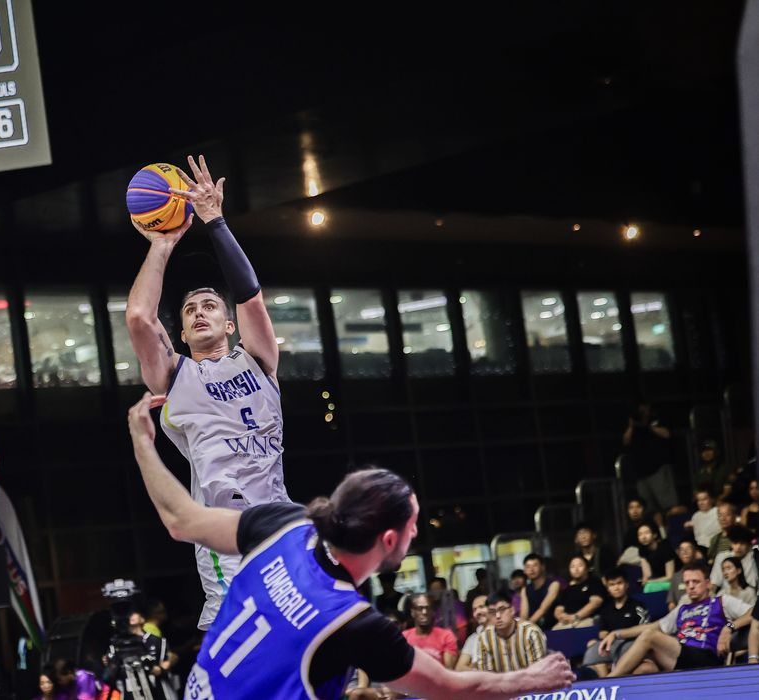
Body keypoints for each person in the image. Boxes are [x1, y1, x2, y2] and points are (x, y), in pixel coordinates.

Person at [126, 393, 575, 700]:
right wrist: (530, 678)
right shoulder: (354, 622)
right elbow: (448, 687)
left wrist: (143, 442)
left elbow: (181, 520)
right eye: (413, 525)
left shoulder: (284, 524)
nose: (416, 534)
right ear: (389, 540)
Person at [125, 155, 290, 629]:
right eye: (190, 309)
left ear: (230, 324)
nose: (199, 311)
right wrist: (162, 244)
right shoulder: (175, 376)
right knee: (241, 650)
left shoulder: (258, 361)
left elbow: (251, 295)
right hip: (226, 535)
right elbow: (139, 317)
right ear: (179, 333)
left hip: (280, 523)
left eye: (210, 305)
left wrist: (215, 221)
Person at [599, 561, 754, 676]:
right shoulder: (682, 609)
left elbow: (754, 611)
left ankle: (607, 682)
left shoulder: (721, 601)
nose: (691, 586)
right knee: (645, 669)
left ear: (707, 583)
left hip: (706, 658)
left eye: (696, 582)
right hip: (682, 657)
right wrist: (616, 633)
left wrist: (729, 627)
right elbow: (652, 626)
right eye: (687, 583)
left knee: (649, 637)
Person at [579, 567, 650, 678]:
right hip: (611, 646)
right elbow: (602, 633)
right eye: (612, 585)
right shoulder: (605, 608)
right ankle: (606, 680)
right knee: (592, 644)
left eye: (619, 583)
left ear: (626, 584)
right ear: (608, 588)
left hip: (632, 646)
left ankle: (611, 676)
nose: (616, 588)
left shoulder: (638, 606)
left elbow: (645, 631)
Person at [621, 402, 677, 519]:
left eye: (644, 409)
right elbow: (626, 441)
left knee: (668, 504)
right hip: (640, 472)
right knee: (648, 509)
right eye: (640, 410)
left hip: (658, 468)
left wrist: (648, 426)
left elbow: (667, 434)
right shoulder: (633, 424)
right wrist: (632, 426)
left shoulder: (656, 419)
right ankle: (657, 528)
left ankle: (674, 526)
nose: (642, 411)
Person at [475, 591, 549, 672]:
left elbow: (538, 673)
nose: (498, 616)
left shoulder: (530, 632)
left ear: (512, 610)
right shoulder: (485, 637)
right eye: (492, 612)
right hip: (499, 680)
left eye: (502, 609)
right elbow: (485, 675)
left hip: (529, 679)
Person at [402, 593, 459, 669]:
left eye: (428, 608)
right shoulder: (404, 637)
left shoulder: (446, 636)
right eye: (420, 608)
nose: (424, 612)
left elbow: (448, 668)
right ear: (413, 612)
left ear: (433, 611)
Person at [552, 555, 605, 629]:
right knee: (554, 631)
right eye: (572, 567)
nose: (576, 569)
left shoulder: (594, 583)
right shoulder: (567, 589)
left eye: (580, 565)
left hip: (587, 619)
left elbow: (596, 603)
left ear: (587, 568)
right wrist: (562, 616)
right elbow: (558, 608)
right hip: (567, 621)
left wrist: (576, 616)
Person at [711, 525, 758, 593]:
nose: (738, 547)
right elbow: (714, 583)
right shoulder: (721, 557)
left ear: (748, 545)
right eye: (735, 543)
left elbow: (753, 587)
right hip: (725, 595)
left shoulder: (753, 559)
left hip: (747, 595)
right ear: (731, 543)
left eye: (742, 543)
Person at [519, 553, 560, 630]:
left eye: (535, 565)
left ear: (542, 567)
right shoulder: (525, 590)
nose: (531, 569)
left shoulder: (554, 584)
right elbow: (524, 614)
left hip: (553, 628)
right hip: (532, 628)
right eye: (528, 567)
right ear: (525, 571)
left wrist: (526, 627)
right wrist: (522, 627)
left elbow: (543, 609)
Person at [455, 594, 491, 671]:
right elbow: (459, 668)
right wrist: (479, 671)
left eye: (481, 607)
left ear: (491, 608)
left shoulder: (501, 631)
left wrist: (472, 666)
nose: (478, 612)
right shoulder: (473, 638)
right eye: (474, 610)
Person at [427, 577, 468, 643]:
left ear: (444, 589)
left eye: (437, 589)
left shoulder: (455, 605)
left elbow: (462, 629)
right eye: (432, 590)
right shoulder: (433, 609)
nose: (434, 592)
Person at [667, 539, 700, 609]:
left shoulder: (702, 572)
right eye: (682, 550)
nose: (685, 552)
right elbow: (671, 603)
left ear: (694, 552)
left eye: (688, 549)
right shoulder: (676, 576)